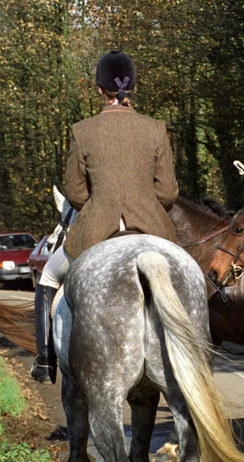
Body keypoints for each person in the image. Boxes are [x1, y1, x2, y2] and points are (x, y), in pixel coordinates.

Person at [30, 49, 179, 384]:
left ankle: (44, 362)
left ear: (99, 89)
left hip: (95, 231)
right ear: (134, 89)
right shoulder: (156, 129)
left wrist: (100, 206)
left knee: (49, 279)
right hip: (153, 229)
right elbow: (168, 193)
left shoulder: (82, 130)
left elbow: (76, 194)